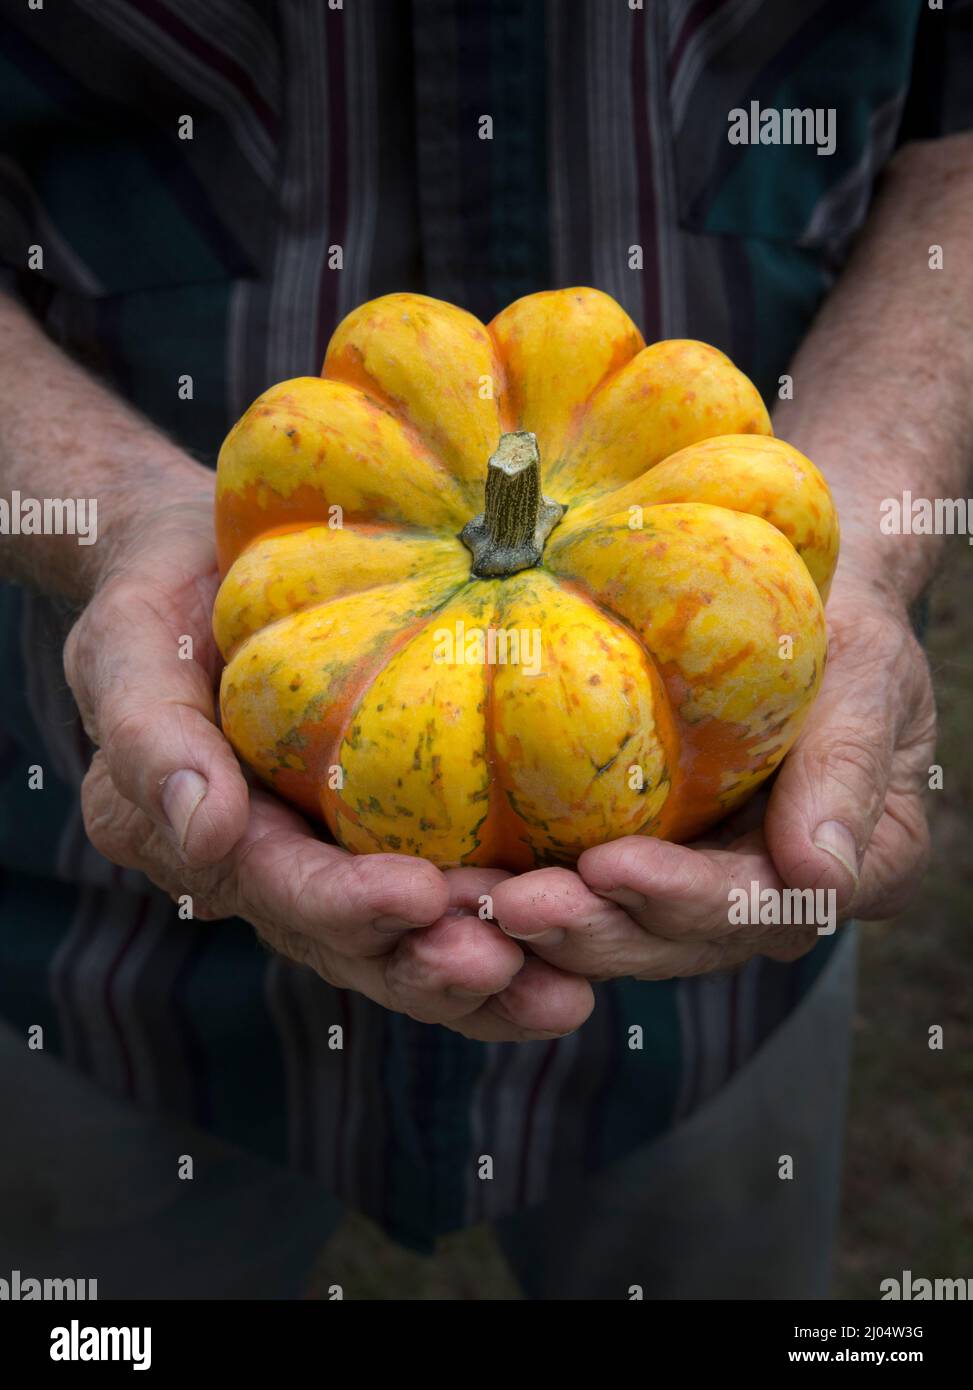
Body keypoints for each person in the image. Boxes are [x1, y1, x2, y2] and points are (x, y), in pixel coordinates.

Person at [0, 0, 964, 1298]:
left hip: (718, 965)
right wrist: (114, 519)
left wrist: (858, 522)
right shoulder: (294, 562)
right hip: (101, 916)